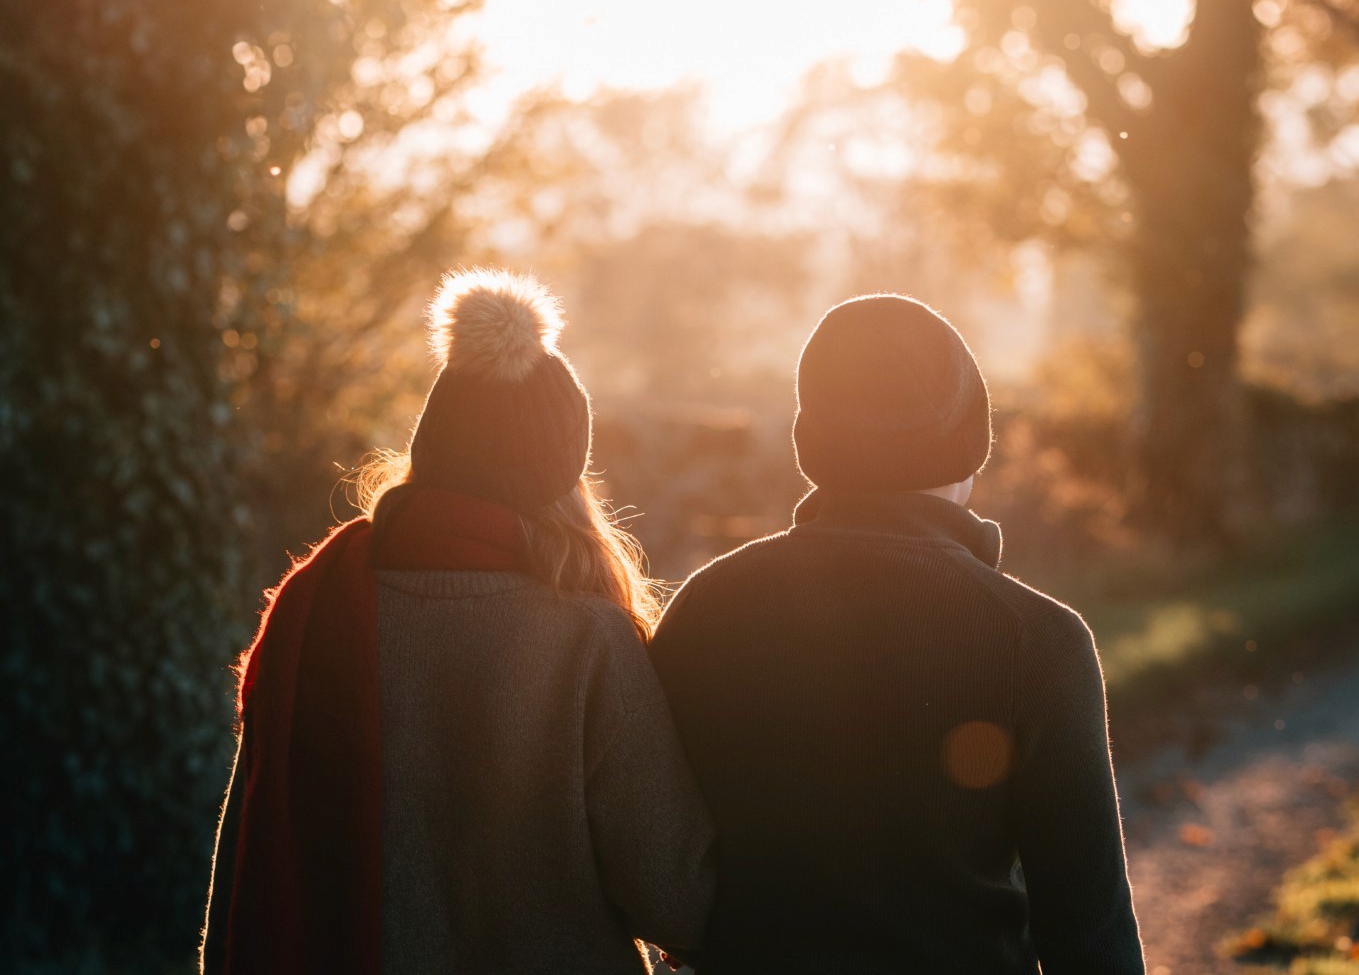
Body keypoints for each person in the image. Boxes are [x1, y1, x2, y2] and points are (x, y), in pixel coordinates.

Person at [201, 269, 714, 975]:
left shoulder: (318, 619)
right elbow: (675, 898)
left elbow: (245, 871)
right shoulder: (586, 641)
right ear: (561, 476)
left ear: (429, 449)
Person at [649, 294, 1146, 974]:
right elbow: (1089, 933)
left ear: (809, 444)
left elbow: (657, 864)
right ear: (974, 444)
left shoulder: (706, 608)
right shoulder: (1038, 640)